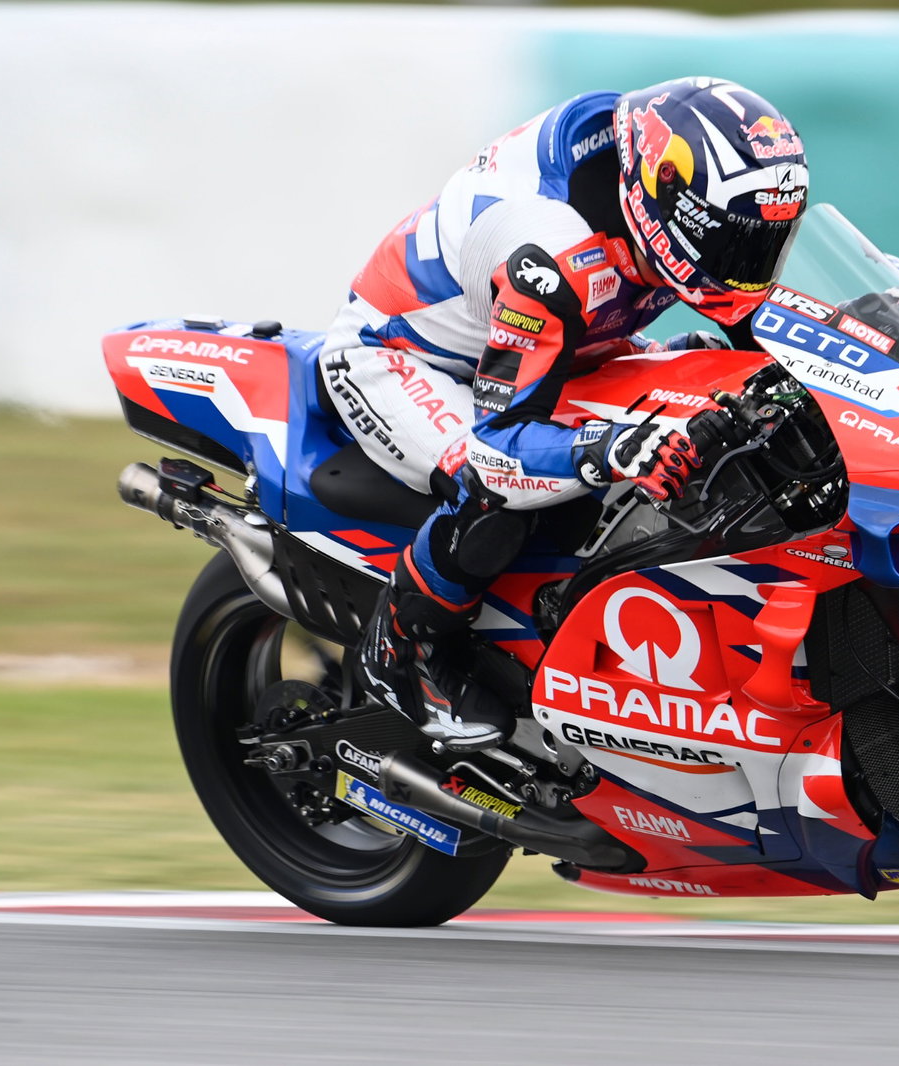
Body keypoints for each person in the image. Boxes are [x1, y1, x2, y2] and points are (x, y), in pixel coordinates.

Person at [319, 77, 809, 750]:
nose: (749, 267)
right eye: (735, 244)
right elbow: (500, 444)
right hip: (407, 360)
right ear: (668, 206)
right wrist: (616, 449)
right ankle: (402, 653)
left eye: (765, 244)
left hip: (565, 340)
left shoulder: (662, 171)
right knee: (491, 489)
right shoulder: (552, 256)